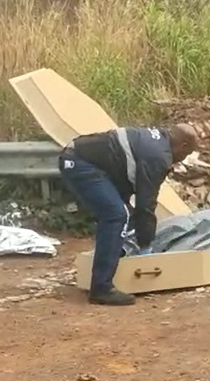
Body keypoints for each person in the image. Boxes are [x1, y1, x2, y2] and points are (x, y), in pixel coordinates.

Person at [59, 124, 198, 306]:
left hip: (84, 159)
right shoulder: (159, 157)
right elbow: (145, 204)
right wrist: (146, 246)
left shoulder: (158, 141)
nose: (180, 160)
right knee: (117, 215)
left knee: (120, 213)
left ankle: (114, 260)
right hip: (80, 163)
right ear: (183, 145)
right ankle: (101, 288)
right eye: (186, 155)